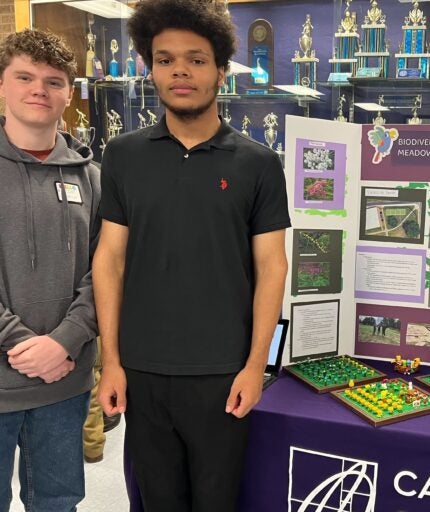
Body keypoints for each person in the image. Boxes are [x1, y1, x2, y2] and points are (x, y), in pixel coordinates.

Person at [93, 0, 290, 510]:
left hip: (223, 375)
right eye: (165, 59)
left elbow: (272, 267)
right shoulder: (123, 155)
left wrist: (254, 367)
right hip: (143, 371)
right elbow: (110, 259)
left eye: (196, 59)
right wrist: (111, 362)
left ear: (221, 71)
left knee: (216, 501)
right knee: (156, 501)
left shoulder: (259, 163)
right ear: (150, 67)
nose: (180, 70)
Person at [0, 29, 100, 510]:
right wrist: (19, 342)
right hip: (0, 382)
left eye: (53, 81)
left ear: (68, 94)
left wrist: (65, 341)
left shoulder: (93, 178)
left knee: (57, 502)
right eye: (24, 76)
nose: (39, 89)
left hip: (64, 379)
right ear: (2, 86)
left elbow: (108, 271)